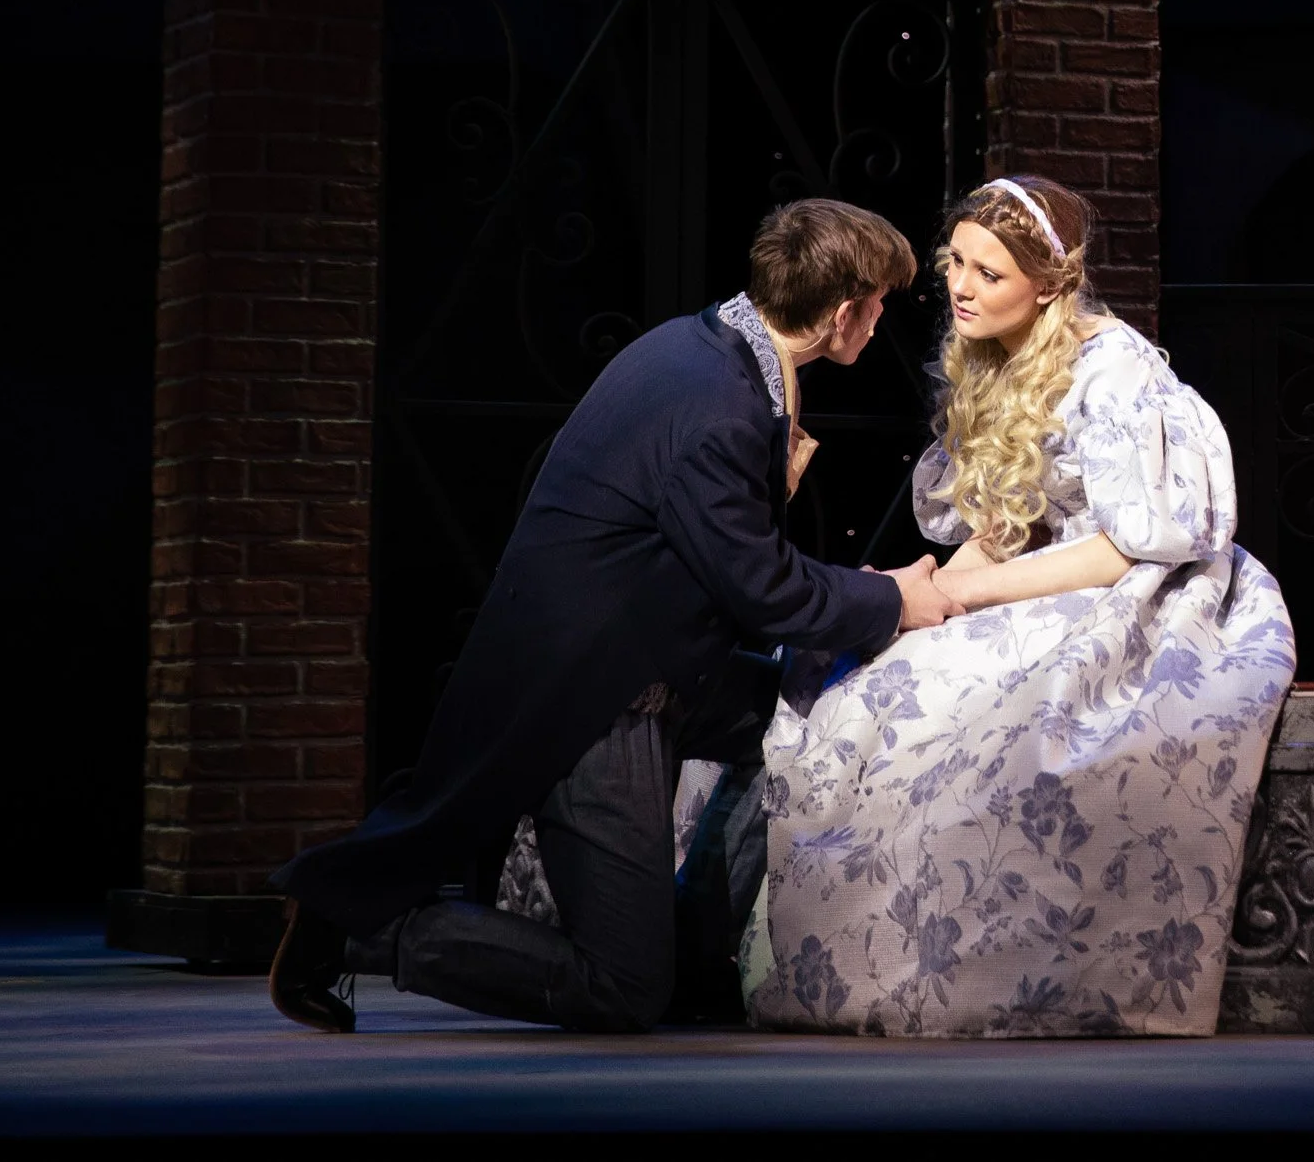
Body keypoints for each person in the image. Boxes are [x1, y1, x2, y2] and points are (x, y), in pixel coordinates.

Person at [266, 199, 962, 1033]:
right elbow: (764, 590)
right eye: (879, 302)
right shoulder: (720, 406)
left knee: (807, 710)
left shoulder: (701, 344)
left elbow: (734, 562)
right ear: (844, 311)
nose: (882, 319)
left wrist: (850, 587)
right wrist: (895, 597)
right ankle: (364, 931)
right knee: (622, 987)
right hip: (601, 693)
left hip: (648, 653)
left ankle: (698, 949)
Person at [742, 176, 1297, 1036]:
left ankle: (995, 972)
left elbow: (1129, 544)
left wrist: (970, 591)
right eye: (956, 262)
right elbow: (1005, 525)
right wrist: (929, 592)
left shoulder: (1114, 371)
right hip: (1046, 573)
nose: (960, 287)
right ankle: (857, 948)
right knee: (877, 670)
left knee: (991, 708)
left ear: (1048, 285)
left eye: (989, 273)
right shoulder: (993, 355)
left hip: (1143, 585)